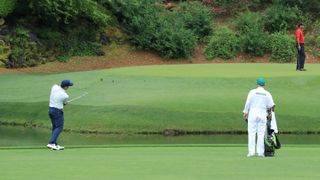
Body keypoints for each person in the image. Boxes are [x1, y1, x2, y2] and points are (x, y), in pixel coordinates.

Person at [243, 78, 275, 157]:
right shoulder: (267, 93)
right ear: (264, 85)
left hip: (253, 113)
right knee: (261, 134)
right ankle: (260, 152)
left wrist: (245, 112)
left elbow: (248, 102)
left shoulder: (252, 92)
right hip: (262, 114)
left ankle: (251, 152)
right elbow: (271, 105)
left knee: (252, 133)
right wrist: (269, 114)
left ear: (257, 84)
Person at [47, 80, 73, 150]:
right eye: (68, 86)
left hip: (50, 110)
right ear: (65, 87)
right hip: (57, 111)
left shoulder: (54, 87)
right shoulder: (65, 95)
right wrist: (65, 103)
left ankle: (55, 144)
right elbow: (64, 103)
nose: (68, 87)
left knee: (55, 127)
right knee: (59, 127)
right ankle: (51, 143)